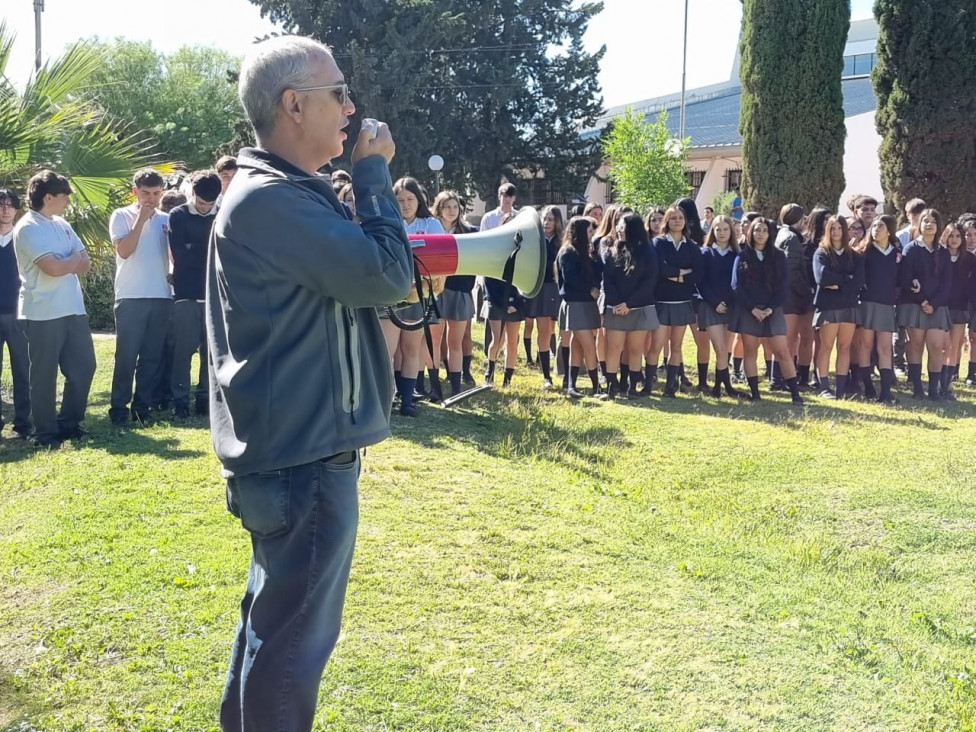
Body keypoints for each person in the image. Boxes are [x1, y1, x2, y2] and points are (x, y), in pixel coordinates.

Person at [208, 36, 414, 732]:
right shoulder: (271, 200)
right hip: (305, 454)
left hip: (292, 448)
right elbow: (385, 273)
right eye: (339, 94)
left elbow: (356, 281)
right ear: (294, 105)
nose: (352, 109)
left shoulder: (279, 193)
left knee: (272, 630)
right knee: (293, 646)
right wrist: (376, 176)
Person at [13, 170, 96, 447]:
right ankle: (45, 433)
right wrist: (70, 260)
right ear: (48, 197)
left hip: (73, 308)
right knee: (44, 375)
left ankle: (69, 424)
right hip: (42, 312)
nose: (67, 203)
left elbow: (84, 264)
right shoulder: (27, 227)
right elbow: (52, 268)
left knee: (84, 367)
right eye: (64, 198)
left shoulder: (62, 223)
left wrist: (68, 262)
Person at [108, 168, 173, 426]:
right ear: (135, 191)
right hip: (130, 295)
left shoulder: (167, 219)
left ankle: (142, 406)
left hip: (161, 294)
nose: (151, 199)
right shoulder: (121, 215)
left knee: (152, 356)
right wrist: (140, 220)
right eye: (145, 193)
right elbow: (124, 251)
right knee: (126, 355)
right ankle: (118, 408)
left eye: (156, 193)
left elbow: (173, 255)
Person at [729, 217, 804, 405]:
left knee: (782, 351)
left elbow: (784, 285)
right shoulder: (743, 255)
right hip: (749, 310)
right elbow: (736, 286)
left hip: (773, 309)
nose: (760, 234)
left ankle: (795, 394)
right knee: (750, 351)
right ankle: (755, 393)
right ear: (750, 233)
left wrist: (770, 308)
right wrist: (753, 308)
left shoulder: (778, 256)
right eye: (757, 230)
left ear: (769, 233)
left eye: (764, 230)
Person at [167, 170, 221, 419]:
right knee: (183, 351)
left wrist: (194, 247)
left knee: (210, 352)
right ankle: (180, 402)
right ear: (192, 194)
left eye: (209, 204)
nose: (204, 208)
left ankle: (204, 399)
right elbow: (180, 255)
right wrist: (203, 250)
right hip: (186, 293)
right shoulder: (177, 215)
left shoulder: (221, 214)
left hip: (214, 293)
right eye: (201, 203)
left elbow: (221, 254)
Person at [389, 176, 446, 408]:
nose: (405, 204)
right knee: (389, 349)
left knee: (411, 348)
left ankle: (408, 399)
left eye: (410, 199)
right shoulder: (389, 223)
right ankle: (391, 394)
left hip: (419, 295)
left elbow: (442, 261)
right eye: (400, 200)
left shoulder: (431, 225)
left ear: (419, 200)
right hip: (390, 294)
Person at [646, 205, 702, 398]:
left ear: (685, 221)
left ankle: (670, 388)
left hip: (682, 300)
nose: (677, 221)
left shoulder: (692, 246)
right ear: (666, 222)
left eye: (680, 218)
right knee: (656, 345)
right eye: (673, 218)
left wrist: (675, 275)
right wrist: (682, 272)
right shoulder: (658, 243)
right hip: (662, 300)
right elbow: (660, 269)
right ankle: (648, 386)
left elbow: (698, 274)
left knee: (676, 346)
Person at [601, 212, 658, 399]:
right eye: (618, 225)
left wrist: (630, 304)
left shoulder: (648, 252)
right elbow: (607, 281)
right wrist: (618, 303)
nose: (619, 229)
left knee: (635, 349)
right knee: (614, 348)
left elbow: (648, 283)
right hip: (616, 308)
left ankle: (633, 387)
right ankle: (611, 387)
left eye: (623, 226)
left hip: (638, 308)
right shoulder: (612, 251)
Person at [897, 208, 952, 400]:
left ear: (939, 226)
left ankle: (934, 390)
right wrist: (922, 300)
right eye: (925, 221)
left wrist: (934, 304)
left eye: (933, 222)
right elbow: (905, 278)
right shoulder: (911, 248)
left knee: (937, 346)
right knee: (916, 345)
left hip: (937, 306)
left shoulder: (943, 252)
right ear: (919, 225)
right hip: (914, 304)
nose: (929, 225)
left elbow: (947, 282)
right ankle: (917, 388)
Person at [812, 215, 864, 399]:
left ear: (844, 230)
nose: (836, 232)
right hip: (828, 306)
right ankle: (825, 388)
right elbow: (822, 277)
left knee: (844, 347)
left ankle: (841, 389)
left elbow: (858, 281)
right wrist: (846, 279)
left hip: (848, 306)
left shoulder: (854, 256)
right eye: (832, 228)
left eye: (839, 228)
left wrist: (839, 283)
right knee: (826, 346)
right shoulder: (821, 253)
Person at [432, 190, 476, 396]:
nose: (451, 211)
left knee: (455, 342)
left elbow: (473, 266)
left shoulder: (469, 232)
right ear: (439, 209)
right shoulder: (431, 229)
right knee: (434, 340)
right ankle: (434, 386)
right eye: (447, 206)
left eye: (455, 207)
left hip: (459, 292)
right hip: (435, 292)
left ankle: (456, 387)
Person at [556, 216, 606, 399]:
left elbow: (599, 270)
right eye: (590, 231)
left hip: (587, 304)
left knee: (577, 346)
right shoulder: (568, 252)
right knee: (589, 346)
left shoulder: (587, 252)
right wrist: (590, 289)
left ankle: (571, 385)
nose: (593, 234)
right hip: (575, 303)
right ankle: (596, 388)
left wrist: (594, 254)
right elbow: (570, 278)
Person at [853, 215, 899, 403]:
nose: (876, 229)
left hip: (887, 305)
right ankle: (869, 388)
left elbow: (900, 279)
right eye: (874, 226)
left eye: (881, 227)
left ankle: (885, 391)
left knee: (885, 348)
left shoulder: (896, 253)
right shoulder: (864, 252)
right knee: (865, 346)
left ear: (889, 231)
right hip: (867, 303)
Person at [697, 214, 740, 398]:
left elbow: (738, 282)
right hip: (710, 305)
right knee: (719, 348)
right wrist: (715, 302)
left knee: (726, 348)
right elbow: (700, 281)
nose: (722, 233)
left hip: (732, 306)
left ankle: (725, 386)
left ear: (731, 231)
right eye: (718, 229)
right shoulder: (705, 252)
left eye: (725, 229)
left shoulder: (737, 254)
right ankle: (718, 386)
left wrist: (727, 302)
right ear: (712, 231)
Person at [0, 188, 31, 438]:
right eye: (1, 204)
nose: (5, 209)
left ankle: (23, 421)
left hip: (19, 315)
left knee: (23, 371)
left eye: (11, 205)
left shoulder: (23, 239)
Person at [523, 205, 563, 389]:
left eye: (551, 219)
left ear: (558, 222)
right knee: (543, 330)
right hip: (541, 288)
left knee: (555, 330)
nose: (547, 223)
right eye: (544, 219)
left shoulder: (562, 242)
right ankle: (546, 376)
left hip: (557, 290)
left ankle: (564, 371)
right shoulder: (535, 239)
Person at [776, 203, 814, 391]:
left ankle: (782, 378)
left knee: (788, 339)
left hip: (788, 294)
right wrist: (807, 290)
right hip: (790, 297)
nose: (806, 222)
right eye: (804, 218)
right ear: (798, 220)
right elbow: (791, 271)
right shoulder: (791, 238)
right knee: (788, 339)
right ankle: (780, 379)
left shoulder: (783, 234)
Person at [942, 222, 973, 395]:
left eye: (958, 236)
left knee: (954, 346)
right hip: (940, 306)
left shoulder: (969, 259)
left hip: (960, 307)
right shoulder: (939, 256)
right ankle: (936, 381)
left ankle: (946, 385)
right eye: (951, 236)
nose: (954, 240)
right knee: (940, 345)